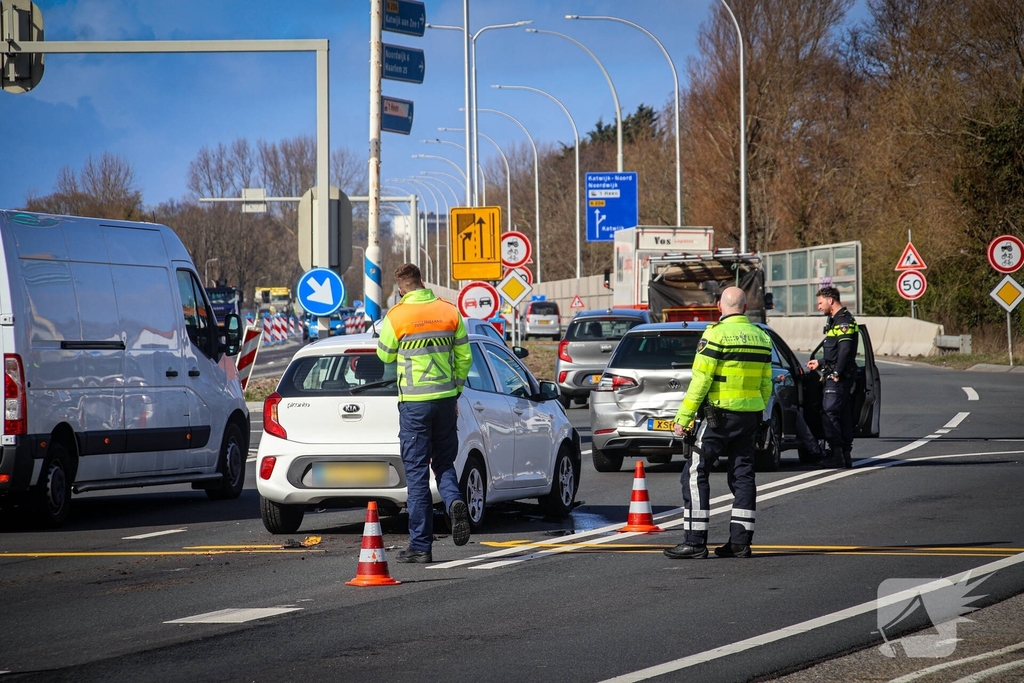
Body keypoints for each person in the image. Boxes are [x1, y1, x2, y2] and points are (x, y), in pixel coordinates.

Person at [664, 287, 773, 560]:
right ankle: (740, 543)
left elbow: (700, 381)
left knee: (694, 472)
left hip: (718, 417)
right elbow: (765, 383)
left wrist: (683, 418)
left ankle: (694, 541)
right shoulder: (761, 337)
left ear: (719, 307)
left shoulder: (715, 335)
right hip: (749, 417)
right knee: (743, 475)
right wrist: (758, 413)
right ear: (745, 308)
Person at [376, 263, 473, 563]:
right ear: (422, 281)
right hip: (445, 401)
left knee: (417, 473)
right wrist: (456, 391)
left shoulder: (397, 316)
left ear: (401, 289)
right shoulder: (449, 311)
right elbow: (465, 358)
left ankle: (420, 546)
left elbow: (384, 355)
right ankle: (454, 501)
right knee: (443, 463)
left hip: (414, 405)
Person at [806, 286, 859, 469]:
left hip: (838, 378)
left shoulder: (843, 321)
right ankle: (844, 455)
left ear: (831, 300)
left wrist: (836, 372)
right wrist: (820, 363)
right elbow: (835, 353)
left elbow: (845, 351)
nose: (819, 306)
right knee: (841, 414)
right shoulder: (836, 320)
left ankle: (837, 454)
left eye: (821, 303)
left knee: (829, 412)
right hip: (837, 374)